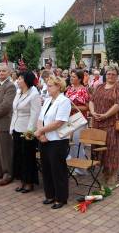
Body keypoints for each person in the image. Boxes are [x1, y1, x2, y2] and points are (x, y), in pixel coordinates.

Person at [34, 76, 71, 209]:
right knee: (47, 168)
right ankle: (50, 195)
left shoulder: (64, 101)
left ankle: (61, 197)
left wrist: (40, 131)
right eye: (47, 85)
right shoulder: (48, 100)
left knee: (58, 169)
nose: (47, 88)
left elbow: (59, 122)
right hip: (44, 139)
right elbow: (40, 118)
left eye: (50, 86)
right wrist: (41, 133)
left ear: (58, 87)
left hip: (57, 141)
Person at [89, 66, 119, 188]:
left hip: (112, 123)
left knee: (112, 149)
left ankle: (112, 173)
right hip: (98, 122)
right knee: (101, 148)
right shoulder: (99, 87)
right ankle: (104, 171)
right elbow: (91, 101)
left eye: (113, 74)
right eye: (108, 74)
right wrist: (92, 112)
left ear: (117, 76)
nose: (110, 76)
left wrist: (105, 115)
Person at [10, 71, 41, 193]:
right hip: (17, 128)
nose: (18, 80)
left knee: (28, 157)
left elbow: (35, 114)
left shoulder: (34, 94)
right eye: (17, 78)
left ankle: (29, 182)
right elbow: (15, 111)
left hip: (27, 130)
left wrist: (30, 131)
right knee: (19, 156)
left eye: (20, 78)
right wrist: (12, 128)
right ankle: (22, 180)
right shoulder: (18, 92)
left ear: (27, 80)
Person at [65, 69, 90, 175]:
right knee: (70, 144)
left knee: (77, 143)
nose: (71, 78)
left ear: (80, 79)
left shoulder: (84, 90)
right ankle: (73, 164)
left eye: (74, 77)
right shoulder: (69, 89)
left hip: (79, 120)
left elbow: (87, 107)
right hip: (68, 120)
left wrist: (73, 108)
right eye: (71, 76)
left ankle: (81, 168)